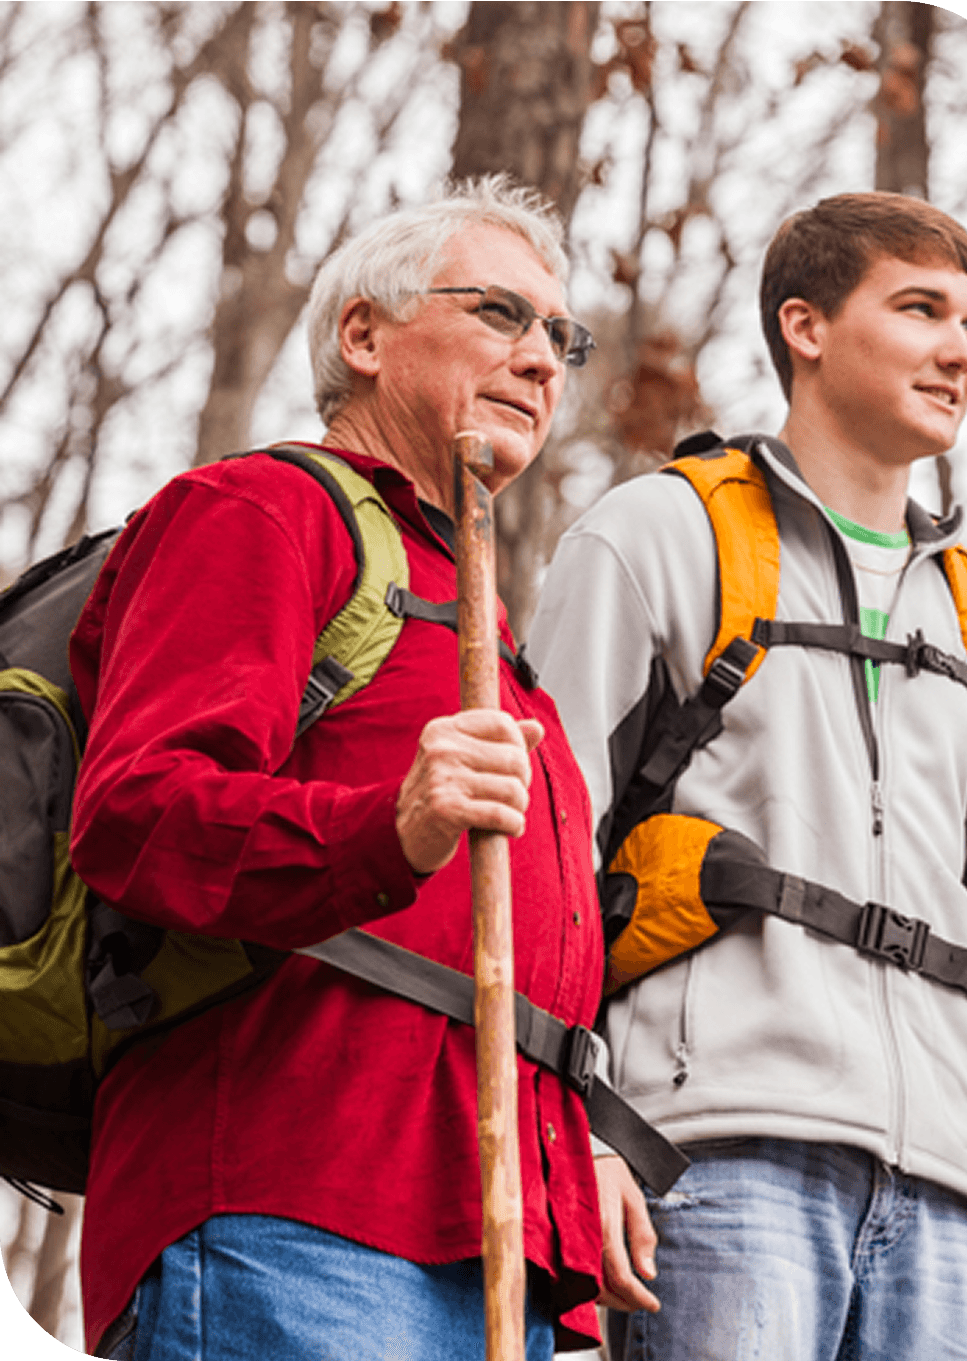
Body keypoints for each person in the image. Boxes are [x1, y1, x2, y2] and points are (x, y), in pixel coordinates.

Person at [70, 176, 606, 1360]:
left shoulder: (483, 621)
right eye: (501, 316)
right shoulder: (260, 510)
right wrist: (390, 824)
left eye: (559, 335)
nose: (541, 360)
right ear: (363, 334)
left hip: (491, 1245)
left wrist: (583, 1144)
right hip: (289, 1215)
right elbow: (135, 812)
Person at [528, 192, 967, 1360]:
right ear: (803, 327)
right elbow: (542, 859)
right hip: (706, 1157)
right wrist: (577, 1135)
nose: (958, 349)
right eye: (917, 309)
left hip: (946, 1198)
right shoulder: (654, 533)